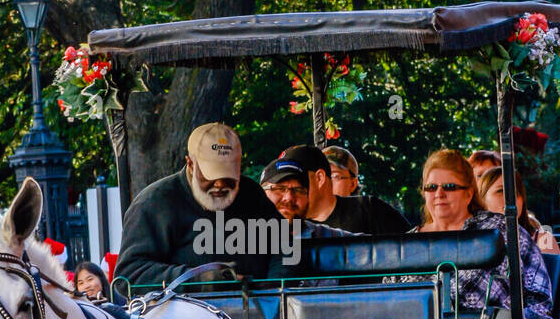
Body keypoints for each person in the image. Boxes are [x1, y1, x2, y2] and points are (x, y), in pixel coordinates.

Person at [117, 123, 285, 286]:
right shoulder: (154, 204)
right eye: (210, 176)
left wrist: (274, 291)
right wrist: (198, 279)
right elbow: (129, 276)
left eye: (228, 176)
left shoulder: (251, 194)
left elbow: (285, 247)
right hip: (182, 311)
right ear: (190, 164)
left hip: (254, 309)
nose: (219, 184)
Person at [414, 149, 554, 319]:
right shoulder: (408, 244)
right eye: (431, 187)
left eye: (449, 187)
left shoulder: (501, 229)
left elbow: (538, 295)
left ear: (469, 193)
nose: (439, 194)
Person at [275, 145, 409, 235]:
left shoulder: (369, 209)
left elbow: (415, 251)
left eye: (296, 179)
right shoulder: (286, 225)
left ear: (320, 178)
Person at [478, 166, 560, 254]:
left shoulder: (543, 239)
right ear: (482, 199)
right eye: (501, 191)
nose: (511, 198)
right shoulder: (472, 242)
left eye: (517, 192)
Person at [260, 160, 352, 237]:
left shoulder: (327, 237)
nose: (289, 198)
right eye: (279, 189)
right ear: (262, 194)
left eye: (298, 190)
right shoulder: (248, 240)